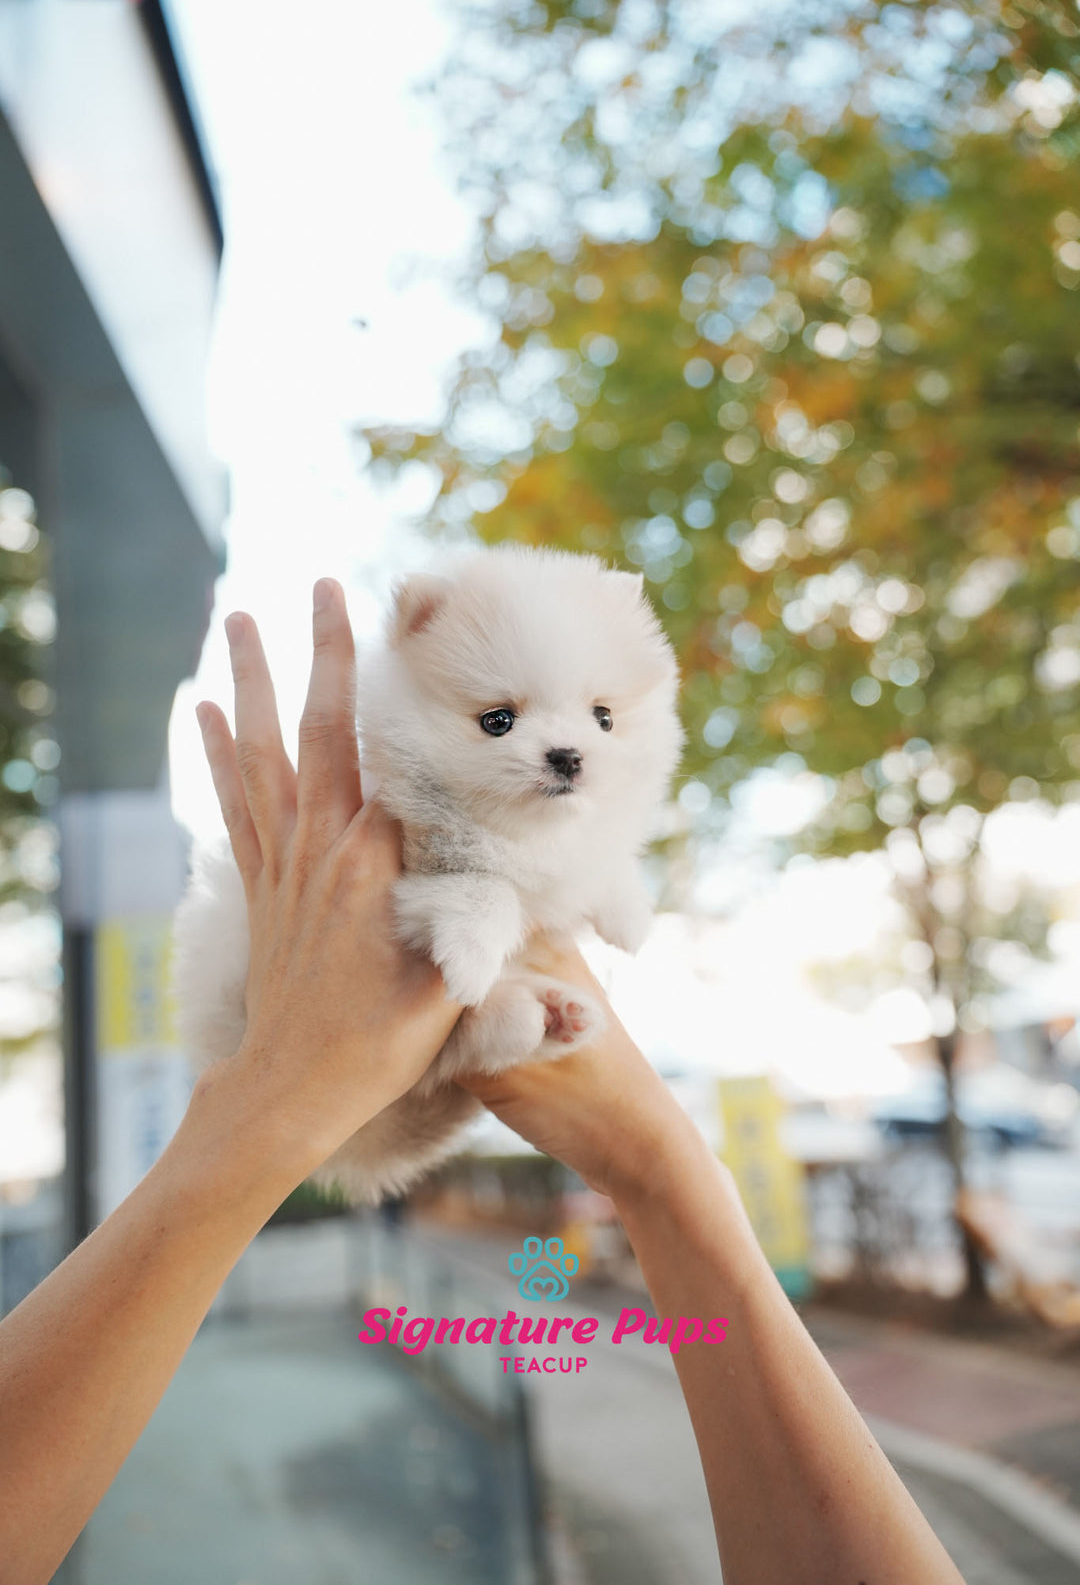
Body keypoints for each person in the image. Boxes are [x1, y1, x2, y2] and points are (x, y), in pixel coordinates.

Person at [0, 579, 964, 1585]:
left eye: (599, 715)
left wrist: (657, 1161)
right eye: (501, 719)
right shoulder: (405, 762)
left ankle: (482, 1031)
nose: (566, 743)